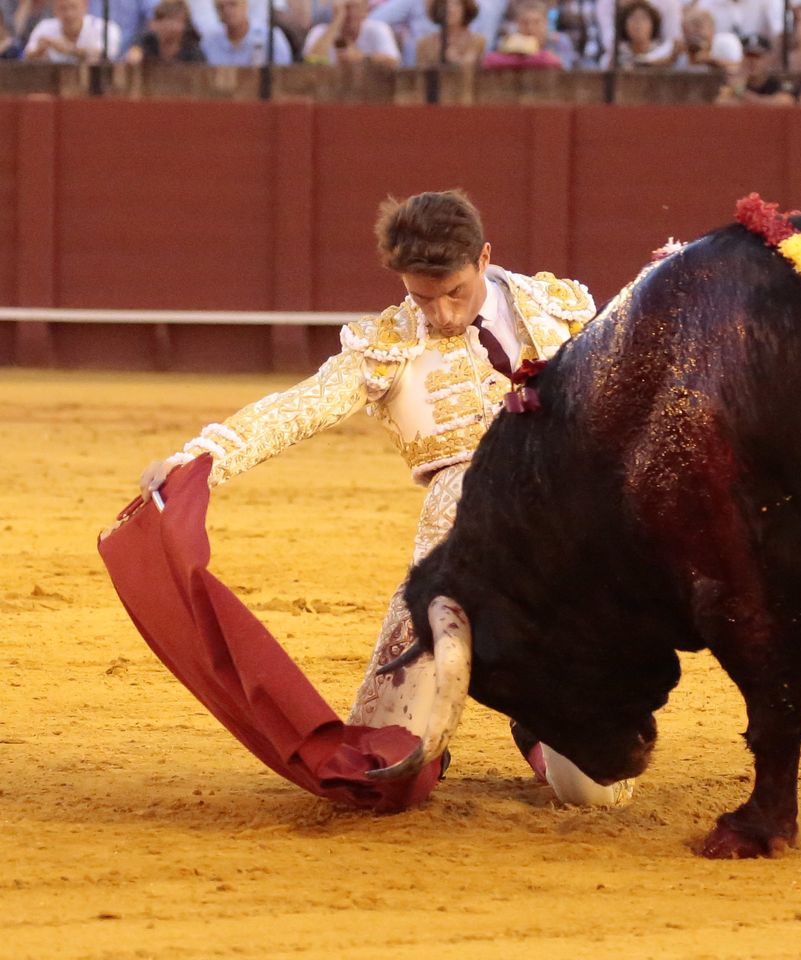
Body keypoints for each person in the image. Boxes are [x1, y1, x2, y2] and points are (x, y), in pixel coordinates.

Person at [136, 190, 631, 808]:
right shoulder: (385, 347)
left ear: (484, 258)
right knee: (385, 770)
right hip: (452, 553)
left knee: (591, 792)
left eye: (454, 292)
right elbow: (297, 408)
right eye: (423, 297)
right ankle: (430, 731)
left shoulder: (562, 311)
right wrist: (196, 462)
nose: (444, 314)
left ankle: (535, 715)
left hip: (569, 550)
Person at [305, 0, 402, 63]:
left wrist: (362, 58)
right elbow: (310, 61)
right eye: (345, 7)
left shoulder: (378, 29)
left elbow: (393, 62)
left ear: (365, 10)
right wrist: (336, 22)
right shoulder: (319, 32)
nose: (349, 13)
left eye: (354, 7)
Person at [24, 0, 123, 61]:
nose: (69, 14)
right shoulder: (44, 27)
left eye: (73, 7)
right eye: (63, 8)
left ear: (85, 6)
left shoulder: (105, 28)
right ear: (55, 10)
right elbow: (26, 56)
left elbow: (106, 56)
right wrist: (38, 52)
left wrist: (70, 50)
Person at [200, 0, 294, 63]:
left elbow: (284, 74)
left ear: (245, 5)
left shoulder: (271, 38)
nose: (227, 11)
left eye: (233, 4)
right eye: (221, 7)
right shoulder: (209, 43)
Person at [126, 0, 208, 62]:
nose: (170, 26)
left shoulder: (192, 49)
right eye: (165, 20)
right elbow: (132, 57)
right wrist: (135, 54)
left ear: (185, 24)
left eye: (176, 21)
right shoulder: (146, 41)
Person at [672, 3, 740, 70]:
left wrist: (710, 60)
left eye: (697, 26)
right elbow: (662, 62)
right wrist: (672, 58)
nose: (693, 32)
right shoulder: (680, 45)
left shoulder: (726, 41)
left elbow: (738, 68)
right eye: (687, 28)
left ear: (711, 28)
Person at [413, 0, 484, 63]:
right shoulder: (424, 44)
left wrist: (457, 61)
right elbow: (420, 75)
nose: (450, 9)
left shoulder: (478, 42)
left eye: (456, 4)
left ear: (465, 8)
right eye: (444, 5)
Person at [606, 0, 672, 65]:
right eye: (633, 19)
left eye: (643, 19)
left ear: (653, 24)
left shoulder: (664, 52)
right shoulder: (617, 54)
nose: (638, 24)